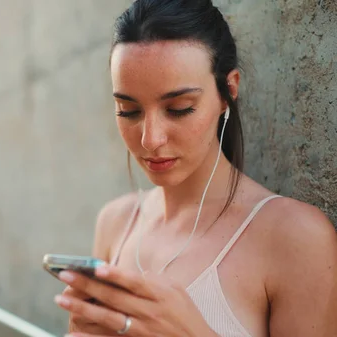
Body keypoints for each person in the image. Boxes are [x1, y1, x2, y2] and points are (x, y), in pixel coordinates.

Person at [53, 1, 337, 336]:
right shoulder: (115, 224)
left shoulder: (295, 237)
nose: (151, 139)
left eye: (179, 108)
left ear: (228, 90)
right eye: (128, 110)